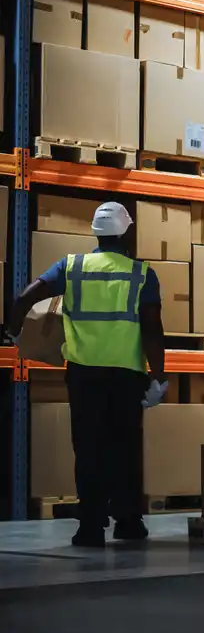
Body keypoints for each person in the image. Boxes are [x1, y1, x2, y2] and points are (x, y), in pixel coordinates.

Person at [7, 202, 169, 548]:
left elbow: (25, 297)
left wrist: (16, 333)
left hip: (84, 375)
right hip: (127, 376)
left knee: (89, 449)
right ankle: (127, 521)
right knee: (125, 448)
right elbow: (153, 330)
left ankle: (91, 527)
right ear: (127, 232)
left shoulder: (71, 267)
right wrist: (159, 377)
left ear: (97, 232)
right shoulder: (142, 275)